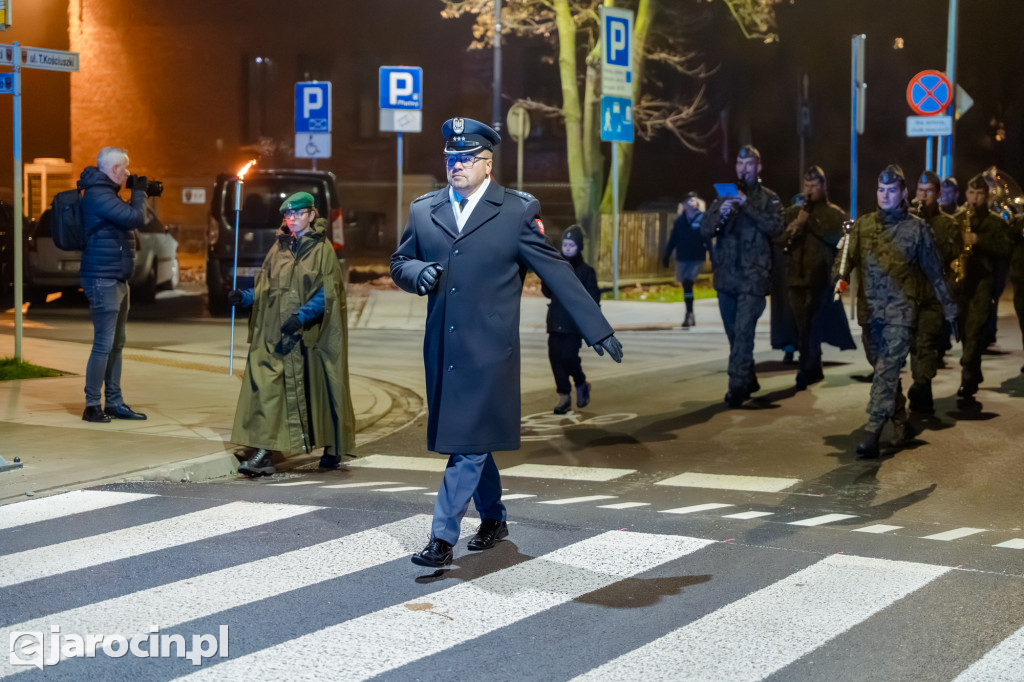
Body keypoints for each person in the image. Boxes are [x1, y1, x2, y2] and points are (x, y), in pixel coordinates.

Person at [391, 117, 623, 568]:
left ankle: (442, 538)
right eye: (450, 158)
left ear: (487, 163)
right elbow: (401, 261)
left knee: (468, 445)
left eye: (465, 158)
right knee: (472, 440)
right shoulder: (425, 209)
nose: (455, 166)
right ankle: (494, 518)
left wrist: (598, 328)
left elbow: (556, 269)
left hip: (491, 352)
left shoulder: (515, 210)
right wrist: (416, 273)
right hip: (443, 348)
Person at [834, 165, 957, 459]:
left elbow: (935, 273)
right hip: (870, 313)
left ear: (903, 193)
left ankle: (873, 431)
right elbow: (843, 260)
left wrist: (951, 312)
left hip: (902, 315)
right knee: (883, 372)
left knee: (887, 371)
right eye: (881, 190)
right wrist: (838, 281)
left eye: (891, 191)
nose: (885, 196)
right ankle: (900, 423)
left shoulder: (917, 229)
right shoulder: (862, 226)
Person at [229, 191, 355, 476]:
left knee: (320, 389)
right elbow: (267, 287)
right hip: (275, 334)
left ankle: (332, 445)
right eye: (288, 214)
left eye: (298, 213)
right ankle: (264, 450)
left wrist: (302, 315)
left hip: (309, 336)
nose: (292, 218)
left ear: (312, 215)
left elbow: (329, 293)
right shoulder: (279, 248)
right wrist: (246, 297)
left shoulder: (323, 250)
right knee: (266, 388)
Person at [702, 144, 785, 407]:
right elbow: (705, 229)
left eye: (749, 164)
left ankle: (736, 387)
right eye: (740, 164)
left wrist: (747, 205)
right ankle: (748, 378)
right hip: (727, 278)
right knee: (734, 335)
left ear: (758, 167)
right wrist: (721, 214)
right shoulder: (723, 198)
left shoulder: (769, 199)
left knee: (743, 333)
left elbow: (776, 228)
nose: (744, 169)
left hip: (753, 278)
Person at [79, 147, 149, 423]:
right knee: (103, 344)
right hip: (102, 277)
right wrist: (140, 193)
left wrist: (138, 194)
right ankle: (92, 404)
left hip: (117, 276)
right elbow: (136, 218)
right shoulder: (97, 194)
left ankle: (115, 402)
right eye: (125, 168)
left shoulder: (108, 193)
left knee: (117, 343)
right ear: (114, 169)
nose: (129, 173)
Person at [778, 165, 852, 390]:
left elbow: (837, 240)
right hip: (795, 278)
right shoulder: (793, 212)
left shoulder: (834, 213)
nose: (809, 191)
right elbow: (780, 239)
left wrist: (809, 221)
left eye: (814, 186)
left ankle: (805, 369)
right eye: (806, 186)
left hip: (820, 279)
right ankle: (813, 363)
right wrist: (797, 224)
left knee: (812, 323)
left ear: (823, 186)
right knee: (802, 326)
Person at [952, 175, 1013, 401]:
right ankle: (974, 372)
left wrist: (979, 239)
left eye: (979, 194)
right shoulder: (957, 218)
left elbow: (1005, 249)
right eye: (971, 193)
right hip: (962, 283)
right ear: (965, 194)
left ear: (986, 196)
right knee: (965, 332)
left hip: (982, 282)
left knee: (975, 330)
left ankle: (967, 378)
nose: (974, 198)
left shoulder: (996, 222)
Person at [907, 170, 962, 413]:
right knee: (913, 346)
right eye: (920, 191)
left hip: (933, 297)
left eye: (929, 192)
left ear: (938, 195)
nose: (923, 197)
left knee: (926, 342)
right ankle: (923, 392)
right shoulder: (905, 221)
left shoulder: (948, 225)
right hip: (909, 295)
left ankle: (921, 385)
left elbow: (946, 255)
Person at [543, 225, 602, 414]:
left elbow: (593, 299)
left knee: (568, 356)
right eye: (565, 244)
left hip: (574, 324)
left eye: (572, 245)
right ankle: (564, 396)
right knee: (555, 358)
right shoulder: (557, 267)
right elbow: (547, 292)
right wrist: (546, 275)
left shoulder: (586, 272)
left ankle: (581, 382)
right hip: (555, 320)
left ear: (579, 247)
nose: (567, 248)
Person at [661, 192, 708, 328]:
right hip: (682, 257)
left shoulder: (702, 219)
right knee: (685, 284)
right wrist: (667, 255)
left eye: (694, 199)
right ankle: (689, 313)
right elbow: (673, 239)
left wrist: (713, 254)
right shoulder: (680, 221)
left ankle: (689, 313)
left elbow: (708, 239)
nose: (691, 202)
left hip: (696, 257)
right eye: (688, 200)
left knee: (688, 282)